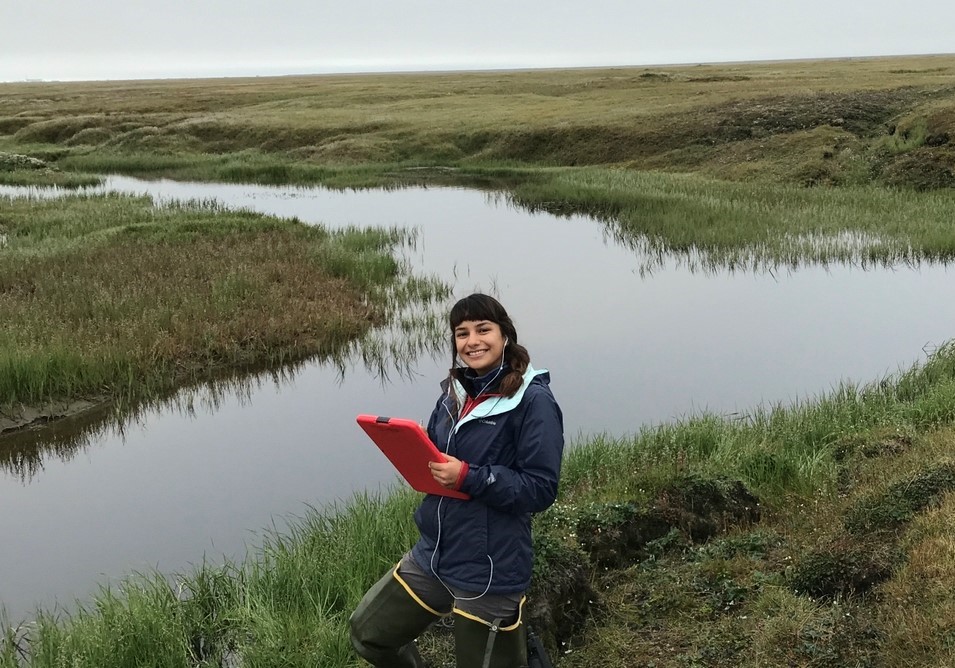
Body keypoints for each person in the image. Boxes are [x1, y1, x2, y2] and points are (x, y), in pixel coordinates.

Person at [350, 293, 564, 668]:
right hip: (434, 554)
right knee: (369, 635)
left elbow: (540, 488)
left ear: (505, 335)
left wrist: (467, 476)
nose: (472, 341)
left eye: (483, 330)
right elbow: (438, 456)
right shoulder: (454, 392)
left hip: (489, 568)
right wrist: (416, 452)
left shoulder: (534, 400)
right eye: (461, 333)